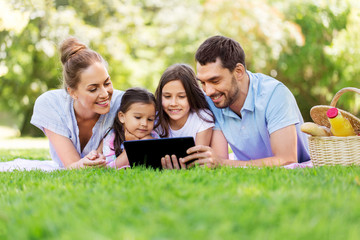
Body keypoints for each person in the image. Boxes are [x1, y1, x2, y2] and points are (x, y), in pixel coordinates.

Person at [165, 35, 310, 169]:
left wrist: (223, 163)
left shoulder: (275, 94)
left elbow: (287, 159)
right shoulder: (213, 100)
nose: (208, 91)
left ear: (239, 71)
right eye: (202, 82)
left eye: (215, 81)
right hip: (248, 168)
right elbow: (219, 160)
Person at [30, 37, 124, 169]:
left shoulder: (123, 103)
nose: (104, 94)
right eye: (93, 89)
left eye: (107, 83)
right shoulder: (50, 104)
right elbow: (72, 165)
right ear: (72, 92)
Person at [154, 64, 214, 169]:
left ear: (192, 96)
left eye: (181, 97)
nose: (173, 103)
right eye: (167, 96)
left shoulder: (202, 119)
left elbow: (198, 161)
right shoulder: (156, 119)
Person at [97, 87, 159, 169]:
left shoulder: (153, 136)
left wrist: (147, 143)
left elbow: (158, 164)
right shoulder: (112, 136)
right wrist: (131, 148)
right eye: (138, 117)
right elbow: (109, 168)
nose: (144, 124)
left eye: (150, 119)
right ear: (122, 117)